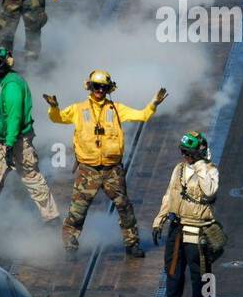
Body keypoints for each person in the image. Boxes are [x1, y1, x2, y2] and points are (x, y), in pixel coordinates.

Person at [44, 70, 166, 258]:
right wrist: (53, 107)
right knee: (77, 211)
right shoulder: (79, 109)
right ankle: (70, 245)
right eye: (96, 86)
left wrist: (154, 104)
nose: (100, 90)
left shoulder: (116, 109)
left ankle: (132, 244)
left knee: (125, 208)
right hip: (88, 170)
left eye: (103, 87)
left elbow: (142, 116)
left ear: (109, 89)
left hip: (112, 170)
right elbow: (57, 117)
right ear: (90, 87)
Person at [0, 46, 59, 225]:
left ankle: (52, 218)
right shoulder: (2, 82)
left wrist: (11, 143)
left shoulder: (12, 85)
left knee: (31, 178)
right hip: (4, 142)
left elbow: (15, 117)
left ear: (7, 62)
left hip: (17, 142)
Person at [146, 131, 220, 297]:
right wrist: (159, 220)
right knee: (173, 272)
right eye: (183, 152)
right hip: (177, 228)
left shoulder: (210, 170)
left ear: (200, 151)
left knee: (203, 275)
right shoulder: (178, 169)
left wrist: (199, 165)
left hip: (198, 230)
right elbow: (169, 195)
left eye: (189, 153)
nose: (186, 156)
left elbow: (210, 191)